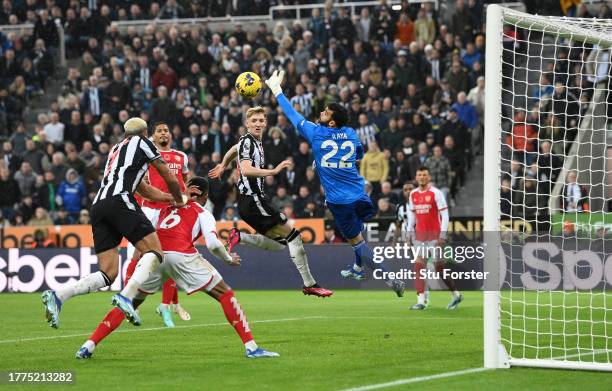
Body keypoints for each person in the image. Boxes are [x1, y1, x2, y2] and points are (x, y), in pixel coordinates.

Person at [76, 177, 278, 359]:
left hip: (156, 255)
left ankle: (89, 345)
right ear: (206, 196)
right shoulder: (203, 212)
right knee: (225, 294)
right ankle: (251, 347)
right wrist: (228, 259)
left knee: (128, 303)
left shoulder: (166, 208)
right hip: (182, 255)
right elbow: (214, 245)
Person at [262, 69, 404, 296]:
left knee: (357, 242)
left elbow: (292, 114)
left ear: (331, 123)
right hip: (360, 193)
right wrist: (329, 162)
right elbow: (358, 155)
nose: (321, 112)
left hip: (340, 200)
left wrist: (277, 90)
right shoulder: (351, 133)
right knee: (358, 233)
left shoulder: (317, 133)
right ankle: (358, 267)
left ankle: (389, 278)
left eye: (325, 112)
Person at [42, 117, 185, 329]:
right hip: (120, 201)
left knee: (108, 273)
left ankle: (59, 295)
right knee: (155, 252)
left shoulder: (116, 149)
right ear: (146, 133)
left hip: (99, 206)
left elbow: (143, 189)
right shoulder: (144, 143)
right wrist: (180, 199)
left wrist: (168, 198)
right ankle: (127, 297)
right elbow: (169, 175)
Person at [208, 106, 332, 297]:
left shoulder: (250, 141)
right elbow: (247, 169)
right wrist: (272, 172)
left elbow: (235, 149)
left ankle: (240, 237)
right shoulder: (249, 142)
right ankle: (310, 284)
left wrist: (224, 164)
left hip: (253, 202)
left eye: (261, 120)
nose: (258, 124)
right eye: (254, 121)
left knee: (282, 244)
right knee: (294, 236)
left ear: (266, 123)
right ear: (247, 124)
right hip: (253, 201)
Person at [129, 122, 192, 327]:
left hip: (171, 210)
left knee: (170, 257)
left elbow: (185, 180)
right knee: (138, 255)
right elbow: (138, 181)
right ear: (153, 137)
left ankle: (165, 306)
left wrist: (185, 197)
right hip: (150, 209)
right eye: (159, 131)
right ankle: (130, 303)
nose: (164, 133)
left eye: (166, 130)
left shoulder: (181, 156)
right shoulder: (148, 153)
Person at [405, 166, 462, 310]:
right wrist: (408, 234)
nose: (422, 177)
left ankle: (456, 294)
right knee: (418, 266)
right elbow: (412, 217)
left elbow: (445, 215)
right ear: (416, 177)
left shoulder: (436, 193)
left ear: (428, 177)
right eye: (419, 175)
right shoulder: (413, 194)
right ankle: (421, 301)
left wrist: (443, 235)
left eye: (424, 175)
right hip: (420, 237)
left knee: (439, 269)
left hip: (435, 236)